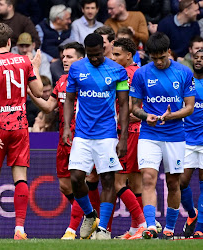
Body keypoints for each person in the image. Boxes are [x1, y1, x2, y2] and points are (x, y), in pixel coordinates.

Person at [29, 42, 101, 239]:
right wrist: (30, 92)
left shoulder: (90, 81)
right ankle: (89, 216)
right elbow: (47, 107)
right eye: (63, 56)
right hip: (63, 140)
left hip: (83, 141)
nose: (64, 59)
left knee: (80, 183)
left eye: (69, 56)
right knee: (65, 185)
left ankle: (72, 229)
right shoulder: (61, 80)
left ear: (81, 59)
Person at [0, 23, 43, 240]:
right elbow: (39, 92)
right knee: (20, 178)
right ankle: (19, 230)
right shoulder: (24, 61)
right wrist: (35, 66)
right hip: (20, 125)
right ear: (9, 42)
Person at [63, 33, 129, 240]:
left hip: (107, 134)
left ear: (104, 48)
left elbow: (125, 104)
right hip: (82, 133)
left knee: (108, 180)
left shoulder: (118, 70)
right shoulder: (77, 68)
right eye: (90, 55)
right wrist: (66, 126)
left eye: (97, 54)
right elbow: (69, 99)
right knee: (75, 177)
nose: (94, 58)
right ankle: (90, 215)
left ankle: (104, 230)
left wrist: (123, 136)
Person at [130, 32, 195, 239]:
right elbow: (134, 107)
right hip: (149, 133)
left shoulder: (184, 72)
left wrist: (171, 116)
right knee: (148, 178)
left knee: (173, 183)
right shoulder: (141, 74)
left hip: (175, 135)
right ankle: (150, 226)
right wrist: (145, 115)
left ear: (169, 52)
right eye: (154, 58)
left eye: (161, 57)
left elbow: (190, 107)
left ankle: (169, 228)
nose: (158, 62)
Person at [110, 38, 146, 239]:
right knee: (136, 182)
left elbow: (132, 108)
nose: (113, 58)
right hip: (139, 132)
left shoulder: (127, 74)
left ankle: (142, 223)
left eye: (117, 55)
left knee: (118, 181)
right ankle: (136, 229)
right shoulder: (139, 72)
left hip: (129, 133)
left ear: (129, 56)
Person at [180, 48, 203, 238]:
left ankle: (201, 227)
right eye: (196, 57)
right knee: (181, 182)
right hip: (186, 139)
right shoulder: (187, 82)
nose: (199, 60)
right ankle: (192, 214)